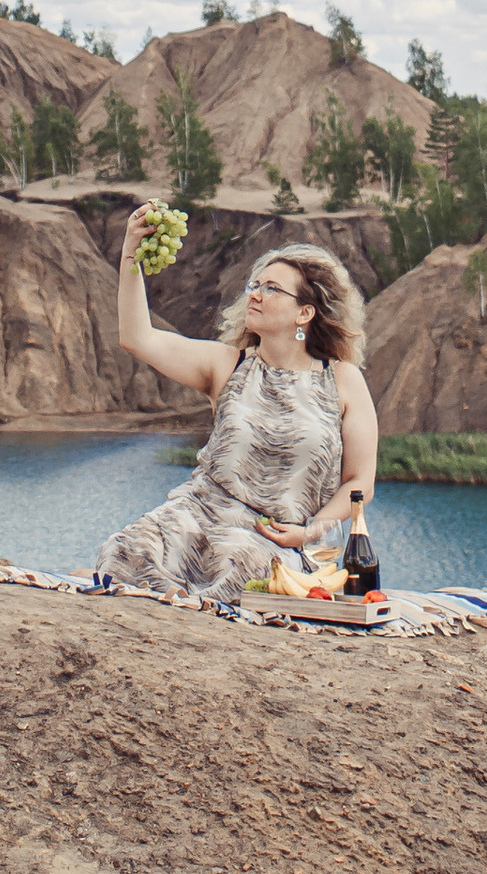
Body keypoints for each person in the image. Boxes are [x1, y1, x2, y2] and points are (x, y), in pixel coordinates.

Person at [93, 218, 380, 601]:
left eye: (271, 289)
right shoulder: (229, 365)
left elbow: (361, 481)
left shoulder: (342, 381)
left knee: (241, 565)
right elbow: (136, 337)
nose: (255, 295)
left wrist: (310, 531)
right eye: (254, 286)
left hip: (272, 538)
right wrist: (131, 250)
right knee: (128, 550)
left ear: (304, 314)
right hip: (195, 517)